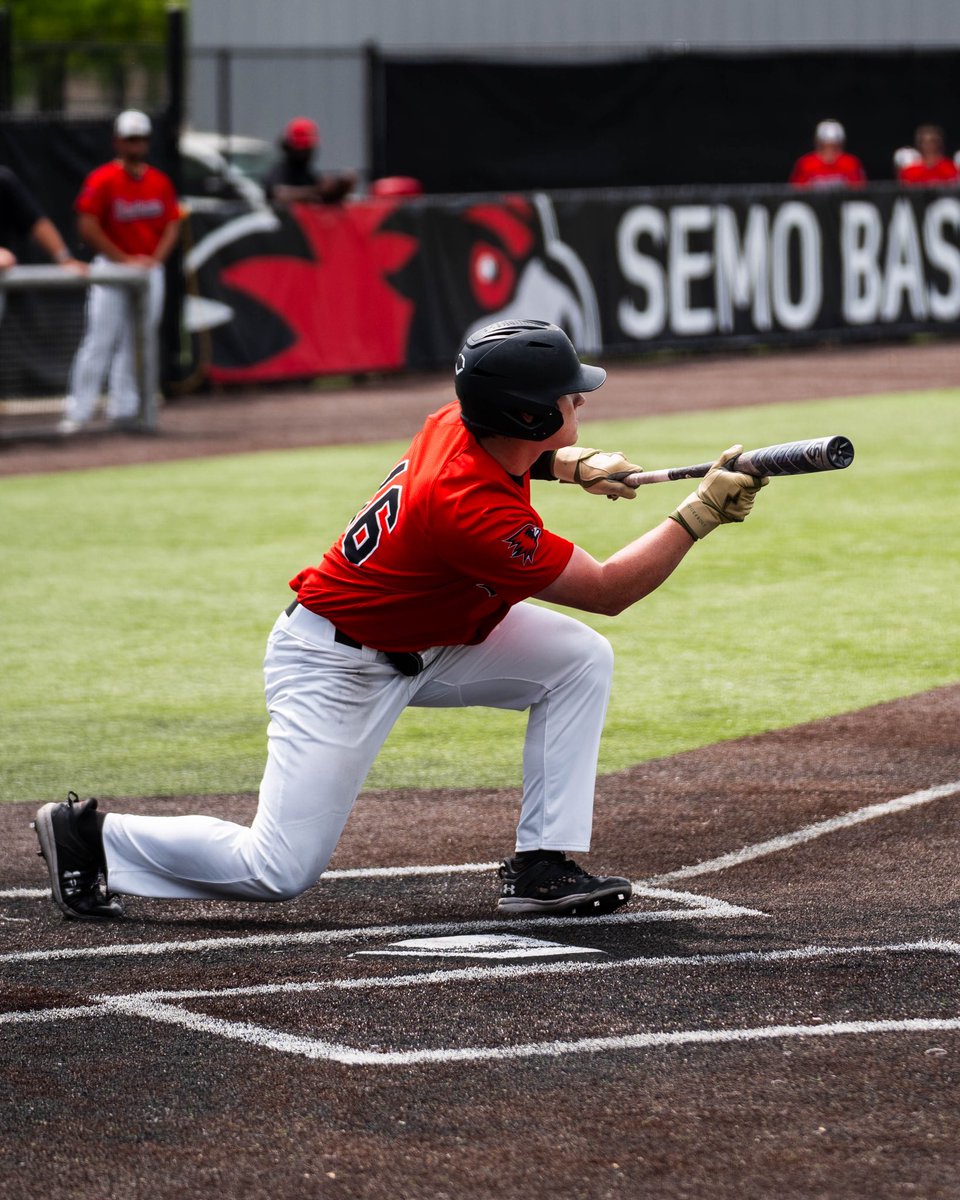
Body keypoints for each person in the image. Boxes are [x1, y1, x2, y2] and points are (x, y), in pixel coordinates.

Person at [32, 318, 767, 922]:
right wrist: (696, 516)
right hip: (337, 664)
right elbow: (608, 588)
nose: (582, 401)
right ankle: (92, 838)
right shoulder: (470, 512)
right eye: (568, 398)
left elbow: (512, 458)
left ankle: (542, 865)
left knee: (577, 660)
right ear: (529, 415)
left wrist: (570, 464)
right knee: (277, 868)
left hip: (432, 640)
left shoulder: (458, 420)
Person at [58, 110, 181, 435]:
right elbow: (87, 225)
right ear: (118, 142)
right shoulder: (102, 179)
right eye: (130, 139)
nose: (135, 145)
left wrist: (155, 260)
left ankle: (124, 409)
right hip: (112, 270)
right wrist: (124, 259)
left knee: (137, 342)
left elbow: (172, 223)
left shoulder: (159, 181)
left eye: (140, 139)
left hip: (148, 271)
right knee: (99, 340)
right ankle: (79, 411)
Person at [263, 116, 357, 206]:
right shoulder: (280, 171)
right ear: (289, 147)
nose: (306, 153)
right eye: (302, 149)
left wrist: (340, 188)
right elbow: (280, 195)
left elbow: (324, 196)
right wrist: (317, 190)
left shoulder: (307, 173)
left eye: (308, 149)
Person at [789, 119, 866, 188]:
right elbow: (796, 191)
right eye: (824, 146)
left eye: (834, 147)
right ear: (818, 144)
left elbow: (859, 190)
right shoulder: (805, 163)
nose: (829, 151)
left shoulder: (851, 162)